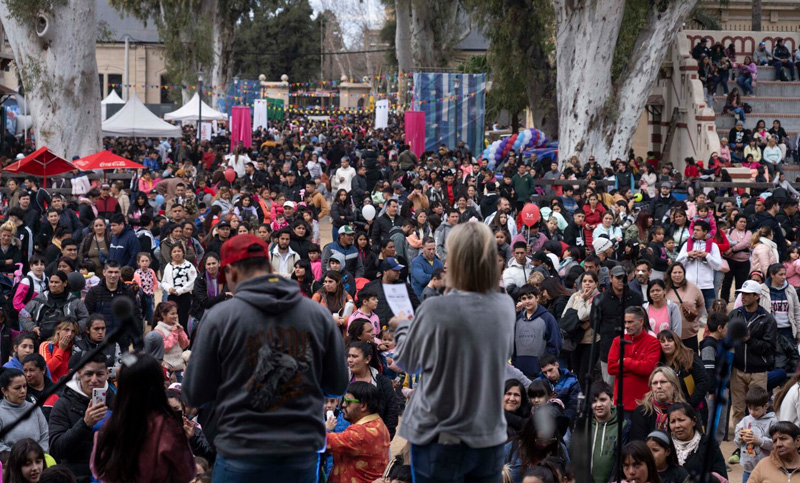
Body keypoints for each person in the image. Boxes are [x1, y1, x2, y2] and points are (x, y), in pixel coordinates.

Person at [183, 234, 348, 482]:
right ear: (269, 267)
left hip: (241, 453)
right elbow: (337, 385)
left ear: (232, 272)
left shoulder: (219, 318)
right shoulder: (318, 314)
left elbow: (194, 393)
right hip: (300, 454)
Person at [390, 222, 515, 483]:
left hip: (439, 436)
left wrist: (402, 327)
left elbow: (408, 361)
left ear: (454, 261)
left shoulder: (436, 309)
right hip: (487, 435)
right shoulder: (505, 305)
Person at [91, 353, 195, 483]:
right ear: (158, 384)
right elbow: (186, 472)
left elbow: (97, 469)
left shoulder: (111, 425)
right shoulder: (167, 427)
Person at [48, 352, 111, 482]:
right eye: (89, 374)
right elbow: (57, 449)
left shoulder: (116, 401)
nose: (94, 380)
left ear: (107, 374)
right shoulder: (63, 404)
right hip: (77, 477)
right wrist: (85, 424)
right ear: (79, 373)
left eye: (99, 374)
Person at [729, 279, 777, 428]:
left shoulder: (768, 319)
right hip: (737, 371)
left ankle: (756, 442)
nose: (743, 296)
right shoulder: (734, 314)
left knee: (757, 411)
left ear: (757, 296)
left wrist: (749, 340)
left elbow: (769, 347)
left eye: (747, 294)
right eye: (741, 293)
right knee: (737, 410)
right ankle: (740, 443)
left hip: (758, 372)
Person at [324, 382, 390, 483]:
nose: (343, 405)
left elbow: (322, 439)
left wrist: (325, 428)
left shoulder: (360, 433)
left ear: (363, 405)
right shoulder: (379, 423)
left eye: (348, 401)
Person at [591, 265, 644, 386]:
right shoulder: (600, 299)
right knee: (609, 386)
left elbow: (642, 319)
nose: (621, 281)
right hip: (608, 349)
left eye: (623, 278)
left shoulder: (636, 297)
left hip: (633, 349)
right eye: (618, 277)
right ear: (611, 278)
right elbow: (595, 323)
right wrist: (608, 333)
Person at [607, 306, 661, 416]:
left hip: (644, 403)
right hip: (622, 403)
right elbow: (611, 368)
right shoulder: (618, 341)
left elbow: (648, 368)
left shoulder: (653, 342)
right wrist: (637, 366)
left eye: (630, 322)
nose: (626, 326)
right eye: (625, 322)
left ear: (641, 321)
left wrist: (625, 361)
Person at [657, 330, 711, 422]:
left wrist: (690, 404)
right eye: (662, 341)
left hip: (693, 409)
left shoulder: (689, 357)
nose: (666, 344)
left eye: (670, 340)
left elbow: (703, 381)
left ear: (676, 342)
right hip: (668, 410)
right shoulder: (659, 364)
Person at [20, 271, 88, 342]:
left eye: (56, 282)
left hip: (68, 342)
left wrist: (72, 329)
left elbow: (85, 318)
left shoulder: (75, 301)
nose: (53, 285)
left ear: (65, 283)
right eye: (51, 282)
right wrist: (33, 328)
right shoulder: (39, 300)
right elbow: (23, 315)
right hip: (41, 341)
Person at [512, 284, 562, 378]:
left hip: (540, 374)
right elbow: (512, 345)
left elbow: (555, 345)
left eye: (530, 297)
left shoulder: (548, 318)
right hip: (519, 372)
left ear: (537, 298)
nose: (527, 301)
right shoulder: (517, 319)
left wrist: (545, 366)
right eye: (524, 298)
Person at [667, 402, 727, 480]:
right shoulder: (666, 445)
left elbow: (721, 477)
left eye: (681, 420)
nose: (677, 425)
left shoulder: (708, 444)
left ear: (694, 421)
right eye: (673, 422)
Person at [630, 367, 688, 441]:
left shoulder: (684, 410)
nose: (659, 386)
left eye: (663, 382)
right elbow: (637, 443)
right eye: (655, 383)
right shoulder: (642, 411)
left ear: (674, 386)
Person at [675, 219, 722, 310]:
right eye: (694, 230)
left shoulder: (713, 246)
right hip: (689, 285)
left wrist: (707, 256)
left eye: (698, 230)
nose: (695, 232)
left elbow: (718, 266)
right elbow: (677, 263)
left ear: (705, 232)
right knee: (689, 312)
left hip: (707, 286)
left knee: (712, 312)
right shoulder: (687, 245)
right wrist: (688, 255)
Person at [734, 386, 777, 483]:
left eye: (756, 409)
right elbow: (737, 443)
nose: (752, 412)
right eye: (750, 408)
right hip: (748, 469)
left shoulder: (772, 422)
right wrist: (740, 437)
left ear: (765, 406)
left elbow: (775, 445)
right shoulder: (745, 421)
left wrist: (759, 441)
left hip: (766, 469)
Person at [589, 382, 629, 483]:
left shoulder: (623, 425)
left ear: (612, 400)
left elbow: (621, 460)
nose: (598, 405)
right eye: (594, 401)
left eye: (603, 400)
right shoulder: (585, 425)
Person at [664, 262, 705, 354]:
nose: (677, 275)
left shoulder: (693, 288)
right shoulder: (664, 289)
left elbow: (701, 305)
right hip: (670, 336)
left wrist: (695, 319)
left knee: (691, 361)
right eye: (674, 273)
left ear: (684, 273)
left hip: (690, 334)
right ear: (670, 274)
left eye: (680, 272)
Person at [160, 244, 197, 330]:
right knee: (171, 319)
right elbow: (164, 282)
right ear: (171, 254)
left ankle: (185, 339)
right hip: (172, 296)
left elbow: (193, 281)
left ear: (183, 253)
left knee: (184, 318)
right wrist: (169, 288)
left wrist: (180, 290)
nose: (177, 253)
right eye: (174, 251)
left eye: (179, 251)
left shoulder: (189, 265)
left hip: (185, 296)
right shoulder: (168, 266)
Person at [538, 354, 579, 422]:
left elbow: (574, 406)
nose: (548, 375)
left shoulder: (572, 381)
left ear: (557, 365)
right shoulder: (538, 382)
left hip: (563, 422)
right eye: (545, 372)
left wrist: (561, 422)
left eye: (550, 370)